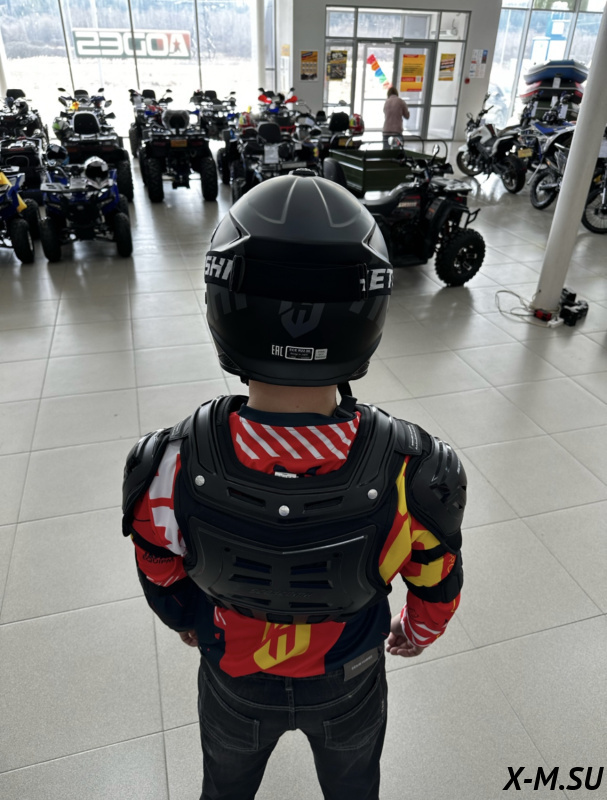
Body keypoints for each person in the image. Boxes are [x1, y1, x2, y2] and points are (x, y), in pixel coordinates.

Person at [122, 171, 465, 800]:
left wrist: (189, 619)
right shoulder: (413, 471)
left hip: (232, 672)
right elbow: (436, 580)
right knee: (354, 788)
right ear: (368, 314)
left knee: (224, 789)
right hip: (350, 674)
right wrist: (416, 633)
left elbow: (158, 565)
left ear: (223, 306)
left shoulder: (168, 462)